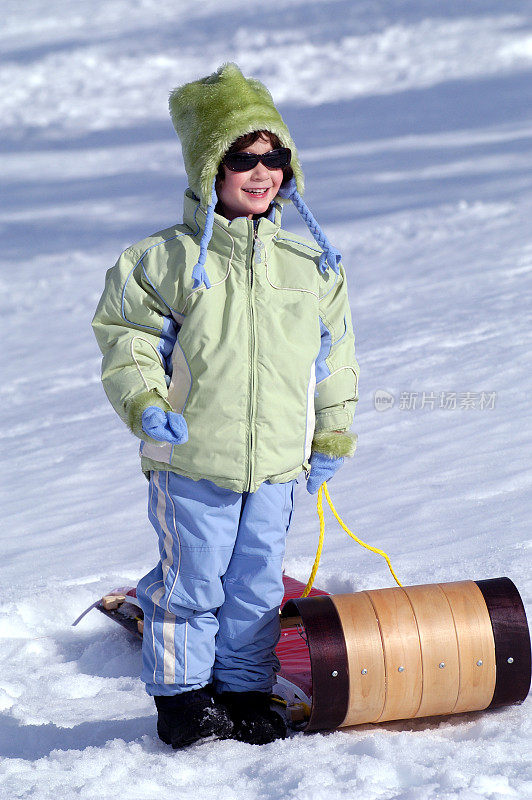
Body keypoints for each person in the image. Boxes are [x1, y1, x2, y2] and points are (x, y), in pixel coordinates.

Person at [92, 62, 360, 748]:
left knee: (254, 587)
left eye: (274, 157)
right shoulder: (163, 261)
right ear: (210, 165)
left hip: (275, 465)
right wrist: (146, 403)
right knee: (193, 584)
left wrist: (331, 435)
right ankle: (183, 698)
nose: (261, 171)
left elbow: (333, 361)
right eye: (243, 156)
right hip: (190, 460)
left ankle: (242, 691)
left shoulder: (308, 265)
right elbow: (128, 342)